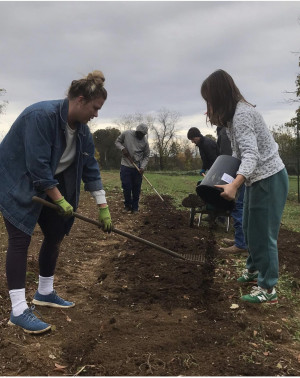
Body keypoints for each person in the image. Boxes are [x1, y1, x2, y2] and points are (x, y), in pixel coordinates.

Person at [0, 70, 112, 334]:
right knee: (20, 239)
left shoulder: (83, 132)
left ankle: (45, 292)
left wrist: (103, 208)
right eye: (95, 108)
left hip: (47, 184)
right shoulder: (41, 117)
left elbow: (91, 169)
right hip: (17, 181)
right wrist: (60, 200)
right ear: (81, 100)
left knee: (55, 233)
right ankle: (18, 310)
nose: (96, 114)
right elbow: (38, 167)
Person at [201, 69, 288, 304]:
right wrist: (227, 182)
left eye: (209, 101)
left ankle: (268, 289)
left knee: (263, 235)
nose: (207, 107)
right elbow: (238, 156)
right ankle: (253, 271)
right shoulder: (231, 120)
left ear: (219, 97)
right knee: (250, 229)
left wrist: (235, 185)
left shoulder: (242, 116)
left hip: (269, 179)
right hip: (255, 179)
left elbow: (251, 155)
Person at [216, 126, 248, 254]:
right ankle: (241, 240)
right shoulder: (228, 129)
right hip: (240, 170)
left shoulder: (225, 131)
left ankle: (241, 245)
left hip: (238, 172)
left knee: (238, 205)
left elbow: (227, 155)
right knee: (242, 206)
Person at [115, 124, 150, 213]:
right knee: (126, 187)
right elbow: (117, 142)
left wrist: (142, 167)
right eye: (139, 133)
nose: (141, 136)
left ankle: (135, 208)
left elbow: (146, 156)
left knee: (136, 188)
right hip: (125, 165)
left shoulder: (145, 142)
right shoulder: (127, 134)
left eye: (143, 134)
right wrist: (122, 148)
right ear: (136, 131)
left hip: (137, 167)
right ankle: (127, 206)